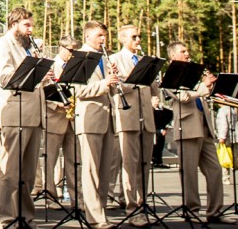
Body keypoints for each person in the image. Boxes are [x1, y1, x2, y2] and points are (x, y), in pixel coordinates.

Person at [0, 7, 50, 229]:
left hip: (33, 114)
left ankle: (25, 217)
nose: (30, 30)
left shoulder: (27, 47)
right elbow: (5, 77)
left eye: (31, 25)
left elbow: (33, 81)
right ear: (14, 24)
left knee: (27, 173)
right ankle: (6, 219)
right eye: (26, 25)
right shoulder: (2, 44)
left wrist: (43, 74)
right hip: (15, 113)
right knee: (10, 171)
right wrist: (32, 67)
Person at [161, 41, 228, 223]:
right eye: (183, 51)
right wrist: (202, 87)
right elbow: (183, 96)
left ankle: (215, 212)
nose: (187, 54)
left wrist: (210, 86)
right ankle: (191, 211)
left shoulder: (194, 72)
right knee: (189, 172)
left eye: (187, 50)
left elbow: (202, 93)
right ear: (173, 56)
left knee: (215, 170)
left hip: (205, 125)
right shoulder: (171, 75)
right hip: (188, 126)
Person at [74, 20, 120, 228]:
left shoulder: (103, 58)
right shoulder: (80, 57)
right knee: (91, 170)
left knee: (104, 170)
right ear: (87, 36)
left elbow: (108, 89)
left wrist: (113, 81)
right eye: (99, 35)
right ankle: (94, 216)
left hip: (106, 117)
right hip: (90, 118)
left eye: (104, 36)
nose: (103, 39)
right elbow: (78, 91)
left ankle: (101, 212)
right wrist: (105, 83)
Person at [110, 24, 155, 223]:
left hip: (147, 118)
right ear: (123, 39)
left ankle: (142, 203)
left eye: (139, 36)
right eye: (134, 37)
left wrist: (155, 96)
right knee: (130, 165)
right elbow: (117, 86)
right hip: (127, 117)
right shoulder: (114, 59)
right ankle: (131, 210)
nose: (138, 40)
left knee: (144, 165)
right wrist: (134, 79)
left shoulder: (144, 60)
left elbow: (153, 86)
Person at [44, 35, 80, 208]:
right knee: (50, 159)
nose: (73, 54)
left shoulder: (76, 66)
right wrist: (59, 105)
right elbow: (42, 93)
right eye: (71, 50)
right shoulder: (50, 65)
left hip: (73, 119)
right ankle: (51, 196)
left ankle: (76, 198)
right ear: (61, 47)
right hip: (54, 117)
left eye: (75, 51)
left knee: (73, 160)